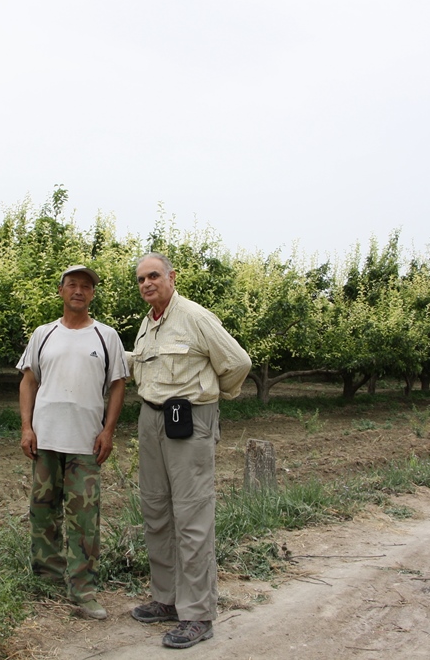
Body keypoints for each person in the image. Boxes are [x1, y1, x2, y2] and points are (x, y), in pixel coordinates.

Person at [128, 252, 252, 649]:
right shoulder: (147, 326)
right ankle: (166, 599)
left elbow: (237, 362)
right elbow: (142, 371)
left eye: (154, 276)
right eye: (141, 279)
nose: (147, 284)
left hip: (189, 420)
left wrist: (210, 397)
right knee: (156, 511)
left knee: (192, 516)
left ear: (171, 277)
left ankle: (198, 614)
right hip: (152, 420)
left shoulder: (195, 317)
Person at [17, 264, 129, 620]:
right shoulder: (43, 334)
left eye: (85, 286)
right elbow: (28, 382)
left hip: (86, 441)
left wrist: (108, 430)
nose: (78, 291)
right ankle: (47, 583)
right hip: (46, 438)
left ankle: (83, 590)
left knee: (84, 519)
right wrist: (26, 427)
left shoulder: (106, 336)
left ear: (92, 294)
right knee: (43, 512)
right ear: (61, 291)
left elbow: (117, 386)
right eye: (72, 285)